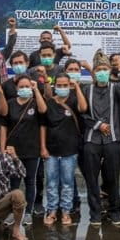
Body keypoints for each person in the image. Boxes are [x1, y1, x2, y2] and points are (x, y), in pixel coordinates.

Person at [82, 54, 120, 226]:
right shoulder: (86, 90)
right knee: (91, 179)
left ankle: (115, 212)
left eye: (105, 69)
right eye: (98, 69)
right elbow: (82, 113)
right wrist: (98, 124)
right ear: (94, 71)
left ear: (109, 70)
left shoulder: (116, 88)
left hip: (112, 140)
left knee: (112, 178)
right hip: (91, 139)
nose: (102, 72)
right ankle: (95, 214)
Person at [40, 72, 85, 226]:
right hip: (51, 151)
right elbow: (43, 126)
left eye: (65, 85)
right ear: (55, 86)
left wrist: (77, 87)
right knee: (51, 182)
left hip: (70, 150)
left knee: (67, 182)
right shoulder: (50, 103)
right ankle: (52, 211)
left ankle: (66, 211)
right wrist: (43, 147)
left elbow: (83, 108)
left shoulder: (74, 100)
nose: (62, 87)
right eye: (59, 85)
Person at [2, 74, 47, 228]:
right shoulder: (10, 103)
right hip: (13, 150)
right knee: (14, 182)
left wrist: (36, 90)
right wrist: (3, 147)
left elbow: (43, 110)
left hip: (32, 150)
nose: (24, 89)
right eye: (21, 87)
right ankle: (13, 211)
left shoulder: (35, 103)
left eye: (27, 86)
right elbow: (3, 127)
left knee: (30, 181)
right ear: (16, 88)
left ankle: (28, 212)